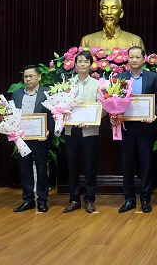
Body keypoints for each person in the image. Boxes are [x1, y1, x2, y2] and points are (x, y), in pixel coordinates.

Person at [116, 46, 157, 213]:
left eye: (137, 57)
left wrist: (154, 114)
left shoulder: (153, 77)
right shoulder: (120, 78)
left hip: (146, 127)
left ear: (144, 59)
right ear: (127, 59)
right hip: (126, 126)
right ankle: (129, 199)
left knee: (146, 164)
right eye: (131, 57)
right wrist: (116, 113)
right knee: (127, 164)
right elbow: (115, 100)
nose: (134, 60)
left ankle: (145, 199)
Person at [12, 65, 54, 213]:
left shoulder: (47, 92)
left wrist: (48, 130)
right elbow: (13, 114)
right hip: (22, 138)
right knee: (25, 169)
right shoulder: (17, 94)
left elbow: (53, 114)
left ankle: (42, 200)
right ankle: (28, 200)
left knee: (42, 169)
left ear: (39, 77)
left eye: (31, 76)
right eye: (25, 76)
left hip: (40, 137)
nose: (28, 79)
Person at [63, 51, 101, 214]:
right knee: (72, 166)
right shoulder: (67, 84)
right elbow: (61, 106)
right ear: (75, 64)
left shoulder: (97, 84)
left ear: (91, 64)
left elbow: (102, 106)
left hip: (89, 130)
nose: (82, 64)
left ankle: (89, 200)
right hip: (71, 130)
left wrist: (91, 119)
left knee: (90, 166)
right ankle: (74, 199)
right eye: (79, 61)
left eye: (86, 61)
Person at [80, 0, 145, 50]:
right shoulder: (87, 41)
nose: (109, 12)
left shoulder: (135, 41)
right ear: (100, 13)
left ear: (121, 13)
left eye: (113, 8)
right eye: (105, 8)